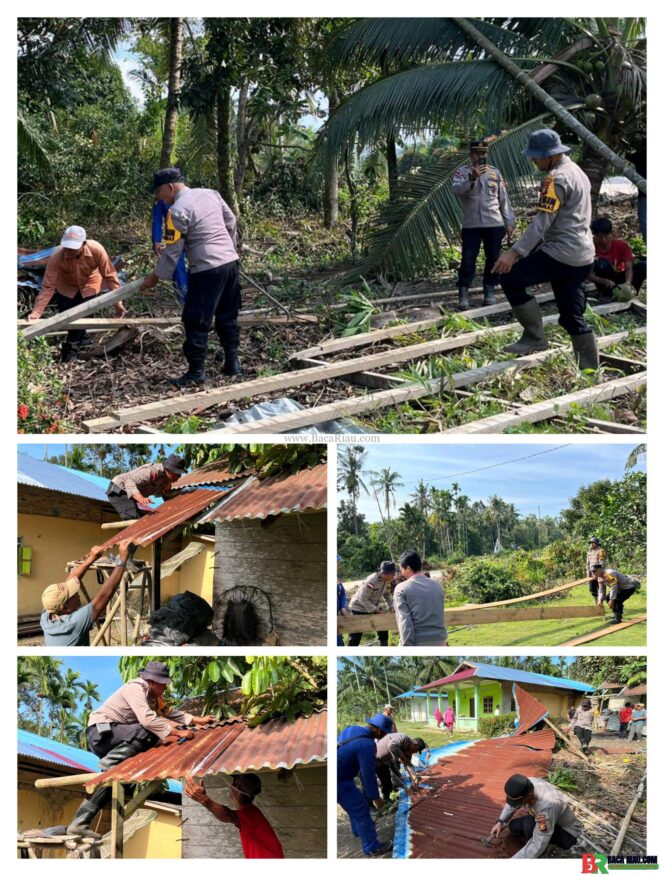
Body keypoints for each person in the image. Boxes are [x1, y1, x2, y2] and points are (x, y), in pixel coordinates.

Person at [67, 661, 215, 837]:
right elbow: (147, 720)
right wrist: (175, 732)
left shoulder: (153, 697)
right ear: (152, 681)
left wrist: (198, 720)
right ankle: (111, 761)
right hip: (101, 734)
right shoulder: (136, 688)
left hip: (118, 737)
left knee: (113, 783)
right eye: (163, 684)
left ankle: (79, 822)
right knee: (148, 731)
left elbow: (170, 712)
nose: (165, 689)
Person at [493, 129, 599, 370]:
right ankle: (590, 371)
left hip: (562, 252)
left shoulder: (555, 178)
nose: (533, 160)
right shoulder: (577, 171)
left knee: (510, 277)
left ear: (549, 155)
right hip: (583, 256)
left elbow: (542, 223)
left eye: (536, 157)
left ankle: (535, 337)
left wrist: (514, 252)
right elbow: (570, 209)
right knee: (571, 317)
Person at [140, 168, 242, 386]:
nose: (159, 198)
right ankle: (233, 364)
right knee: (227, 314)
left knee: (196, 319)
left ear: (170, 187)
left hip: (206, 269)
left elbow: (172, 251)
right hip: (230, 264)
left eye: (159, 193)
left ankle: (196, 372)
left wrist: (155, 277)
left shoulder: (176, 211)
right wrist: (229, 248)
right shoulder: (211, 193)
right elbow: (231, 220)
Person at [27, 226, 125, 362]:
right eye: (67, 247)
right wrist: (36, 312)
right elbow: (48, 286)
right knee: (66, 316)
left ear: (84, 244)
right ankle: (82, 337)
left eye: (73, 248)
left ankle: (70, 352)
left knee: (81, 316)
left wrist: (118, 304)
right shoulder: (57, 257)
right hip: (66, 287)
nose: (69, 251)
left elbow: (110, 276)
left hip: (90, 285)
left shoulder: (96, 249)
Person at [452, 139, 515, 309]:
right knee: (468, 259)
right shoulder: (461, 173)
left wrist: (509, 222)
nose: (480, 156)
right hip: (471, 224)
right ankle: (463, 291)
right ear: (470, 155)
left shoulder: (495, 173)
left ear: (486, 154)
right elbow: (457, 190)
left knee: (493, 257)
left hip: (494, 223)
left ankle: (489, 289)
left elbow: (504, 199)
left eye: (483, 153)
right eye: (476, 153)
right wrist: (472, 178)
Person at [41, 541, 133, 646]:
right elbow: (104, 596)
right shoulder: (72, 624)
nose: (76, 592)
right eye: (73, 594)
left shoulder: (47, 614)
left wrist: (91, 558)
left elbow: (71, 579)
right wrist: (122, 560)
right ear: (64, 608)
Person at [184, 774, 284, 858]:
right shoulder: (252, 812)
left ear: (236, 786)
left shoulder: (250, 814)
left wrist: (205, 800)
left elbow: (229, 815)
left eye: (234, 781)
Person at [337, 714, 393, 857]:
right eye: (384, 733)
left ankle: (358, 831)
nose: (383, 737)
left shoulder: (352, 729)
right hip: (341, 780)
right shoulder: (367, 745)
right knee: (362, 810)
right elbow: (367, 773)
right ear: (379, 731)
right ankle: (372, 847)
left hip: (341, 775)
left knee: (353, 806)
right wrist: (375, 797)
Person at [489, 774, 582, 858]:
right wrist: (500, 821)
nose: (517, 805)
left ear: (529, 795)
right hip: (547, 819)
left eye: (519, 802)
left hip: (566, 834)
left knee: (529, 826)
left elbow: (539, 842)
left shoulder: (547, 807)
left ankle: (545, 850)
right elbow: (512, 804)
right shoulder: (526, 784)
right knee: (514, 826)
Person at [107, 454, 188, 520]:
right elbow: (129, 482)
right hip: (119, 489)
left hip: (130, 495)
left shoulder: (166, 481)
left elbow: (167, 497)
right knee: (132, 517)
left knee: (143, 518)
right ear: (169, 470)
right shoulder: (152, 471)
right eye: (177, 474)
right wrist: (141, 498)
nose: (179, 476)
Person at [394, 550, 447, 646]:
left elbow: (405, 622)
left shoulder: (401, 589)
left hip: (417, 643)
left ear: (408, 568)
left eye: (401, 569)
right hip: (440, 640)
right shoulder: (437, 585)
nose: (401, 573)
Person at [588, 217, 646, 295]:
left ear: (611, 233)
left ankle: (631, 293)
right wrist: (603, 281)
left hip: (619, 278)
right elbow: (588, 275)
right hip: (605, 282)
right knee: (602, 263)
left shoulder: (621, 245)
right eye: (600, 236)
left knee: (643, 266)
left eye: (606, 235)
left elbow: (629, 268)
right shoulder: (590, 249)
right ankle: (608, 294)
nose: (604, 239)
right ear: (594, 235)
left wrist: (628, 283)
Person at [348, 561, 396, 647]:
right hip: (359, 607)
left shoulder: (385, 580)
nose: (394, 575)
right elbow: (362, 599)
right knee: (356, 636)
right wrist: (377, 611)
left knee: (383, 628)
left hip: (373, 605)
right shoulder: (371, 581)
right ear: (384, 573)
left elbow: (386, 594)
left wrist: (391, 606)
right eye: (393, 574)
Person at [152, 195, 188, 301]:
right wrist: (156, 240)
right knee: (178, 266)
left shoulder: (186, 196)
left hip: (190, 235)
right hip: (175, 237)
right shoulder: (161, 199)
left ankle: (186, 295)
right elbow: (157, 221)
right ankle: (182, 296)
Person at [375, 733, 427, 802]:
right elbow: (391, 745)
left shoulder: (409, 749)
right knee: (384, 780)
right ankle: (379, 801)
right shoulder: (403, 738)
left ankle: (387, 798)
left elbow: (408, 763)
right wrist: (405, 788)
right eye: (417, 750)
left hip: (386, 759)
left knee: (388, 779)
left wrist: (414, 776)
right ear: (415, 744)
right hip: (375, 758)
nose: (415, 752)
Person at [586, 537, 607, 603]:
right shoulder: (589, 552)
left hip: (599, 573)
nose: (592, 544)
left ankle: (600, 604)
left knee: (601, 589)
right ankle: (596, 603)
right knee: (592, 589)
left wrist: (599, 572)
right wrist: (588, 573)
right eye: (591, 543)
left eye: (593, 543)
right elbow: (587, 563)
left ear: (597, 543)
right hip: (591, 574)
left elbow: (602, 562)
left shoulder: (601, 551)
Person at [337, 554, 349, 647]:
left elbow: (342, 593)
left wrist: (342, 606)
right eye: (337, 562)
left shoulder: (336, 577)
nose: (339, 565)